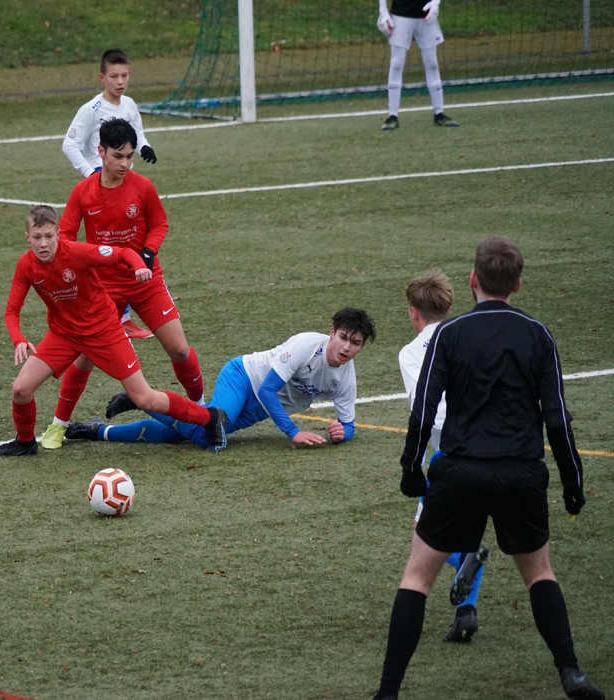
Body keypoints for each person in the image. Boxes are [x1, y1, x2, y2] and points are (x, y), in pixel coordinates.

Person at [371, 237, 604, 700]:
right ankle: (570, 672)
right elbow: (558, 419)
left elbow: (422, 412)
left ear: (473, 279)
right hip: (521, 473)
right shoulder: (538, 335)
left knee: (416, 578)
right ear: (517, 284)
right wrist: (573, 482)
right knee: (540, 574)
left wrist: (411, 471)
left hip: (460, 471)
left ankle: (388, 692)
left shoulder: (450, 334)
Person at [0, 205, 225, 457]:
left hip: (104, 332)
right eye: (37, 237)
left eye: (48, 236)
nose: (43, 244)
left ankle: (209, 417)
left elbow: (122, 253)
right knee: (20, 389)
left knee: (144, 398)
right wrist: (18, 339)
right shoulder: (25, 265)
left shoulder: (77, 253)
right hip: (64, 335)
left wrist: (140, 266)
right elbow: (12, 310)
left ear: (58, 234)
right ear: (27, 238)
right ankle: (25, 443)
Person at [39, 118, 206, 451]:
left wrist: (147, 252)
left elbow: (159, 224)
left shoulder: (143, 187)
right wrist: (86, 262)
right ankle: (58, 425)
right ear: (100, 152)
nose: (125, 164)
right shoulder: (83, 192)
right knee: (84, 357)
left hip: (145, 281)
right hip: (102, 290)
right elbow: (67, 237)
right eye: (118, 156)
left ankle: (202, 409)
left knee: (179, 348)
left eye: (130, 156)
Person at [66, 308, 377, 451]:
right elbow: (268, 390)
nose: (346, 348)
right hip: (243, 378)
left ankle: (99, 432)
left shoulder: (345, 378)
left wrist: (342, 433)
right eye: (343, 337)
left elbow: (348, 423)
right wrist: (293, 432)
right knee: (207, 436)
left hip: (257, 411)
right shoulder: (306, 345)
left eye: (356, 343)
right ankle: (142, 399)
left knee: (185, 435)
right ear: (332, 333)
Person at [399, 270, 489, 643]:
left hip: (450, 453)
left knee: (426, 535)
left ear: (412, 312)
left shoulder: (411, 353)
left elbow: (426, 412)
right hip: (493, 444)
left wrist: (414, 463)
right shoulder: (473, 337)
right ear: (450, 307)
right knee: (467, 529)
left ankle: (465, 557)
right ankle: (465, 613)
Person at [61, 48, 157, 341]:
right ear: (102, 77)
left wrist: (145, 147)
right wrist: (90, 173)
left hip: (126, 186)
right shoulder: (91, 109)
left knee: (131, 241)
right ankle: (107, 315)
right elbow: (69, 144)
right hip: (100, 188)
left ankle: (122, 317)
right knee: (106, 248)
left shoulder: (129, 105)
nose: (120, 81)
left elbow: (137, 133)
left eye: (124, 75)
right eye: (114, 76)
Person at [376, 0, 459, 130]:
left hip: (426, 15)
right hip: (400, 15)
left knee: (432, 63)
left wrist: (435, 3)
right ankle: (392, 116)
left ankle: (439, 114)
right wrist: (383, 11)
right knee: (396, 64)